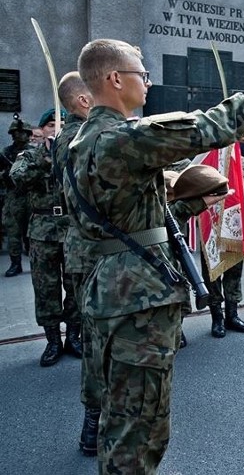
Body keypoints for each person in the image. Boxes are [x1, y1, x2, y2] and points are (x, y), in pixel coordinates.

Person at [66, 38, 244, 473]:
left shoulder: (80, 141)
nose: (147, 81)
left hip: (109, 286)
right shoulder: (120, 138)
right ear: (114, 79)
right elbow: (204, 127)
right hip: (138, 299)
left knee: (119, 418)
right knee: (139, 431)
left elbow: (129, 216)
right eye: (141, 74)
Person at [52, 71, 102, 456]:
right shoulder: (79, 137)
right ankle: (93, 421)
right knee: (98, 339)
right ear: (84, 101)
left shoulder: (77, 133)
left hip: (94, 249)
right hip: (90, 251)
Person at [10, 108, 78, 367]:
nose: (55, 129)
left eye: (59, 124)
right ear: (42, 131)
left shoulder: (75, 152)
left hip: (72, 229)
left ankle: (73, 335)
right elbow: (18, 178)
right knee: (45, 288)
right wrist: (44, 158)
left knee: (74, 286)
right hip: (42, 230)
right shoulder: (30, 154)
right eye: (50, 125)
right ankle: (52, 341)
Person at [200, 153, 244, 338]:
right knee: (212, 275)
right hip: (211, 228)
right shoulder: (204, 163)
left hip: (234, 227)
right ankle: (217, 317)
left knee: (234, 273)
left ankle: (232, 315)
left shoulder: (243, 163)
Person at [1, 117, 33, 277]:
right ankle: (15, 263)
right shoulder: (5, 153)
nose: (21, 136)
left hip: (31, 195)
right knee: (13, 231)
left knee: (31, 231)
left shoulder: (34, 151)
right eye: (17, 133)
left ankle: (34, 260)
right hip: (13, 196)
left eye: (24, 133)